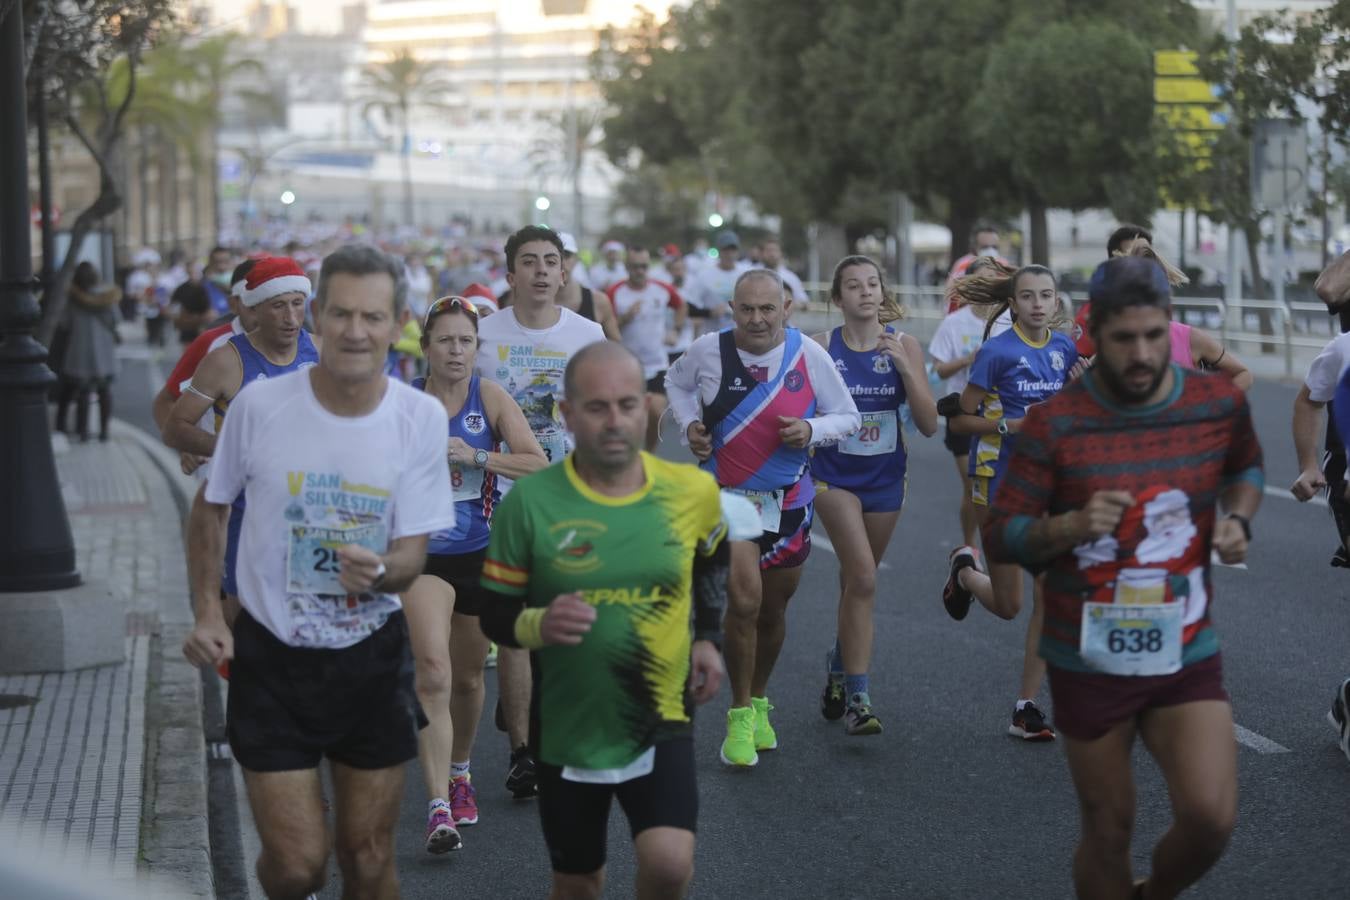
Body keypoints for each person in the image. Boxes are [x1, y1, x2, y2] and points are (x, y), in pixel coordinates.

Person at [182, 243, 456, 900]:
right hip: (273, 660)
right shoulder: (259, 406)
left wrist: (386, 570)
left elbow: (414, 554)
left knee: (366, 858)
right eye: (340, 314)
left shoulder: (418, 418)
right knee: (298, 866)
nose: (356, 332)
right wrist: (207, 612)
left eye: (373, 316)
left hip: (370, 657)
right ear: (317, 319)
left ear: (397, 324)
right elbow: (210, 508)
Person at [983, 256, 1263, 900]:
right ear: (1094, 335)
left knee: (1211, 819)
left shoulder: (1213, 402)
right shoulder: (1058, 424)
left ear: (1171, 326)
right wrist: (1068, 528)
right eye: (1123, 339)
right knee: (1110, 829)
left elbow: (1246, 467)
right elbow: (1003, 532)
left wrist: (1239, 520)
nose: (1141, 353)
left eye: (1154, 335)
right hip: (1088, 653)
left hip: (1183, 647)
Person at [479, 341, 728, 900]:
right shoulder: (532, 503)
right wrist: (537, 626)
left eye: (626, 405)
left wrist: (709, 639)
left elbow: (712, 553)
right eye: (596, 407)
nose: (615, 421)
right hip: (568, 729)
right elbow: (495, 613)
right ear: (566, 415)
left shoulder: (692, 491)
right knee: (578, 883)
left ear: (646, 409)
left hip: (660, 715)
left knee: (669, 865)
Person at [666, 269, 860, 766]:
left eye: (767, 309)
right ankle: (737, 716)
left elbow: (849, 416)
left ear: (786, 309)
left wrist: (812, 428)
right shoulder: (708, 350)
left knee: (773, 612)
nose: (756, 319)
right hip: (726, 498)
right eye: (746, 309)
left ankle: (757, 698)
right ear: (732, 309)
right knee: (744, 601)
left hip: (789, 501)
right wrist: (690, 423)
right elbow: (676, 382)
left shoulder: (808, 355)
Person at [403, 295, 548, 850]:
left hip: (478, 553)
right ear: (427, 348)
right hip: (424, 557)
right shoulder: (404, 403)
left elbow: (535, 462)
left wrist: (477, 457)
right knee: (434, 671)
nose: (457, 350)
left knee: (466, 678)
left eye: (466, 340)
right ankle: (438, 805)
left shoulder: (488, 397)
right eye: (446, 340)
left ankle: (461, 772)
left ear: (476, 348)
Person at [473, 224, 605, 797]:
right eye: (530, 262)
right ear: (510, 276)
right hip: (497, 497)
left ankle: (529, 705)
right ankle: (524, 754)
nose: (543, 271)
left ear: (564, 271)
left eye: (551, 261)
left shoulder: (588, 333)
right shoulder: (480, 335)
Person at [940, 263, 1079, 741]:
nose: (1038, 303)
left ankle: (1026, 706)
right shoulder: (996, 353)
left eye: (1046, 295)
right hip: (996, 479)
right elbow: (959, 423)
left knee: (1050, 592)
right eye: (1028, 296)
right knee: (1007, 605)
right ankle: (964, 572)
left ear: (1057, 302)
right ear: (1013, 304)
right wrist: (1010, 426)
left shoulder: (1065, 349)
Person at [811, 256, 936, 735]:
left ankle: (838, 671)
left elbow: (927, 425)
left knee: (853, 585)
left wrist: (907, 371)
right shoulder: (820, 348)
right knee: (863, 576)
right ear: (838, 298)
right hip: (832, 478)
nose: (865, 292)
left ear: (882, 292)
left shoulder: (904, 345)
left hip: (886, 480)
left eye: (873, 284)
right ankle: (859, 698)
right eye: (853, 285)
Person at [164, 257, 319, 612]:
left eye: (298, 304)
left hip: (310, 513)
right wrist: (233, 449)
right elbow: (176, 426)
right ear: (254, 308)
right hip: (245, 514)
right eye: (278, 306)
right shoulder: (226, 360)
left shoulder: (321, 352)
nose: (291, 318)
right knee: (247, 629)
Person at [1074, 237, 1253, 391]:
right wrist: (1083, 387)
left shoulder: (1191, 339)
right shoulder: (1110, 347)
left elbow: (1243, 374)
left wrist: (1213, 405)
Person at [928, 257, 1015, 548]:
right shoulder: (955, 323)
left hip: (1001, 409)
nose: (990, 282)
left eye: (995, 277)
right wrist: (969, 359)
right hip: (964, 410)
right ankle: (971, 545)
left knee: (997, 486)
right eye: (984, 277)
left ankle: (994, 544)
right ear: (971, 283)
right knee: (973, 486)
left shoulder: (1011, 319)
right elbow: (937, 371)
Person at [152, 258, 261, 475]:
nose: (266, 313)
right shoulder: (211, 342)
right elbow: (165, 401)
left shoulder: (307, 343)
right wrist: (187, 446)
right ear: (236, 303)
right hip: (221, 477)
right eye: (254, 304)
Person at [608, 246, 686, 450]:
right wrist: (625, 318)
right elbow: (605, 326)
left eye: (643, 266)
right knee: (627, 416)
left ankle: (648, 454)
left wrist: (676, 330)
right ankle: (628, 452)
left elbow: (681, 305)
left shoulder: (661, 288)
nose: (640, 271)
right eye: (635, 267)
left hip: (657, 363)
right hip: (626, 366)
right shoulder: (615, 292)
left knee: (656, 412)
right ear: (626, 267)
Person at [54, 262, 122, 443]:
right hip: (104, 352)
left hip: (79, 351)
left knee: (83, 392)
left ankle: (83, 432)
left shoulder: (72, 298)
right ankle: (104, 432)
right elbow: (116, 320)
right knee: (104, 391)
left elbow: (64, 323)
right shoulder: (107, 296)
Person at [684, 231, 751, 337]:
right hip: (712, 336)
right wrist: (709, 313)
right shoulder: (704, 275)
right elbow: (689, 307)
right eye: (726, 250)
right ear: (719, 251)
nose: (729, 254)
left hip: (741, 336)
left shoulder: (747, 274)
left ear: (738, 251)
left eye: (733, 249)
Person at [945, 222, 1006, 310]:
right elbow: (950, 296)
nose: (990, 250)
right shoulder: (963, 265)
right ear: (975, 246)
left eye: (994, 247)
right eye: (985, 247)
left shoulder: (1004, 264)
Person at [757, 236, 809, 304]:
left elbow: (804, 303)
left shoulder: (791, 277)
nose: (772, 254)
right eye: (768, 250)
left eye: (775, 250)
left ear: (781, 253)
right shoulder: (752, 276)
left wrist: (785, 306)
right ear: (762, 253)